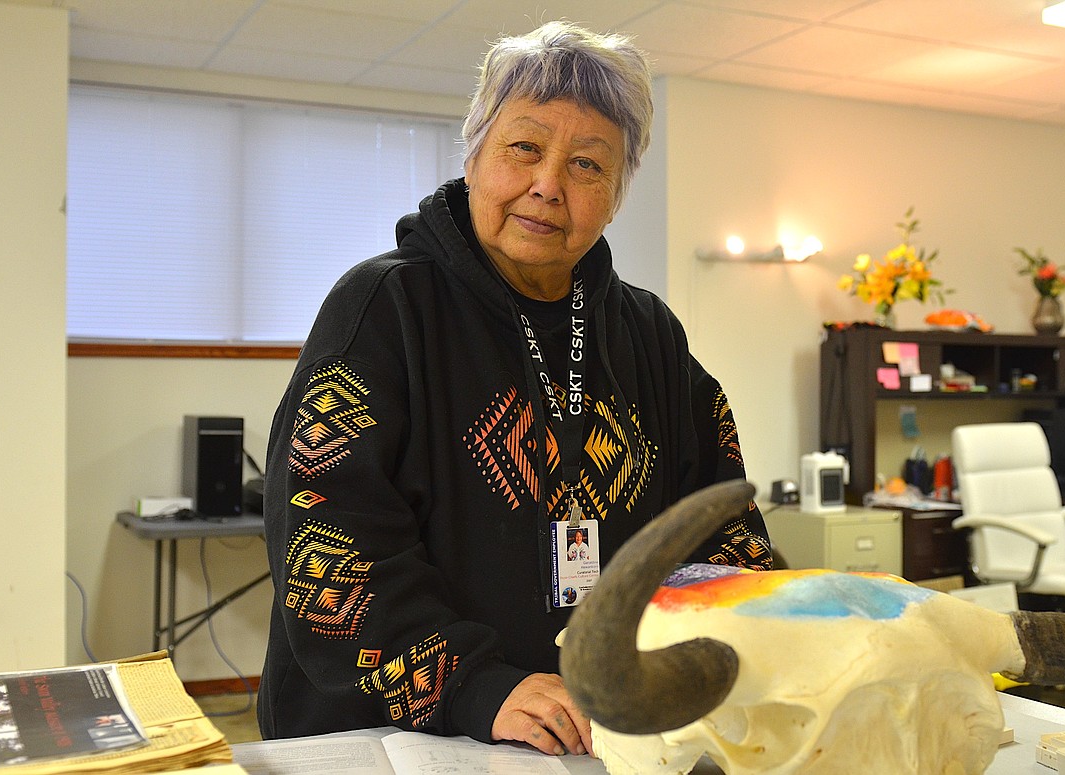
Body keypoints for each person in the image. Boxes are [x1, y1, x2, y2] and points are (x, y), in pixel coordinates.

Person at [257, 20, 773, 759]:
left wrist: (743, 646)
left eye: (588, 165)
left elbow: (721, 525)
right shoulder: (384, 309)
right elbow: (326, 550)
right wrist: (475, 683)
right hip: (393, 739)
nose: (549, 185)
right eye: (525, 147)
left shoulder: (651, 335)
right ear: (475, 154)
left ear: (617, 193)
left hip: (602, 737)